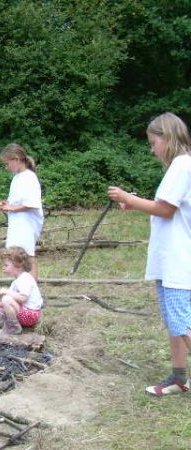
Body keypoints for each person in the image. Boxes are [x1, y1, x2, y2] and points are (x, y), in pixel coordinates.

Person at [108, 112, 191, 397]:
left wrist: (128, 198)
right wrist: (135, 205)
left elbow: (166, 209)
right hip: (169, 260)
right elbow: (164, 207)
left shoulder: (182, 165)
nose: (152, 148)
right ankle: (179, 378)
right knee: (174, 321)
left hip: (180, 260)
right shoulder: (179, 167)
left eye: (153, 142)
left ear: (167, 138)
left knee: (182, 322)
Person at [0, 143, 43, 280]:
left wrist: (12, 208)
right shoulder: (16, 178)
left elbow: (32, 203)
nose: (6, 167)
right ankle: (21, 286)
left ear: (16, 159)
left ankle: (32, 291)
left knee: (28, 256)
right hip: (17, 224)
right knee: (13, 255)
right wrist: (7, 205)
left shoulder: (29, 177)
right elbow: (17, 201)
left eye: (7, 164)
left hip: (27, 224)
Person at [0, 246, 43, 335]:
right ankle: (1, 320)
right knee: (6, 299)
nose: (3, 268)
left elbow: (23, 298)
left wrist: (7, 292)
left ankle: (13, 327)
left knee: (6, 298)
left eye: (6, 265)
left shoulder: (25, 279)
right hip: (25, 312)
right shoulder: (17, 281)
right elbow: (14, 301)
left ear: (18, 265)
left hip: (30, 316)